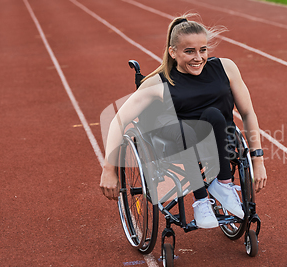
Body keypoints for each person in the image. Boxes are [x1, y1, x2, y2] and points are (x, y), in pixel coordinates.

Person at [100, 15, 267, 229]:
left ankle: (224, 184)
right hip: (177, 143)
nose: (198, 57)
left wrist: (258, 160)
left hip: (219, 140)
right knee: (189, 129)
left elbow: (248, 113)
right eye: (189, 51)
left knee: (215, 114)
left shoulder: (226, 68)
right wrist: (109, 169)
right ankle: (201, 201)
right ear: (173, 52)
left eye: (203, 50)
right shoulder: (159, 82)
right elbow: (118, 121)